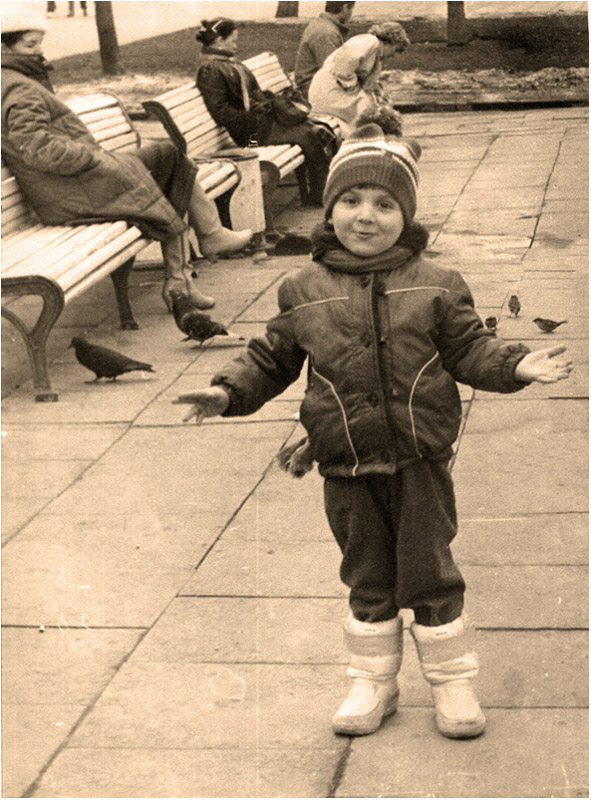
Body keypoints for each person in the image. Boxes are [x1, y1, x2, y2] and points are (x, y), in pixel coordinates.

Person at [174, 123, 574, 739]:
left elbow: (470, 347)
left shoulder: (438, 284)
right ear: (329, 209)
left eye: (386, 204)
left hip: (419, 459)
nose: (367, 216)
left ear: (406, 215)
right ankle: (372, 683)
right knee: (366, 573)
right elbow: (270, 356)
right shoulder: (301, 288)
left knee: (431, 569)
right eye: (351, 201)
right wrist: (228, 391)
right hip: (345, 462)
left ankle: (452, 683)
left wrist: (514, 363)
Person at [1, 4, 252, 312]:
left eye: (39, 43)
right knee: (159, 172)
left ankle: (196, 255)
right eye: (30, 45)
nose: (39, 53)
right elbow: (39, 149)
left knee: (167, 156)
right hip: (69, 190)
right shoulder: (17, 87)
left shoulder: (16, 79)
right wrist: (91, 156)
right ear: (3, 45)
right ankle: (185, 273)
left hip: (70, 183)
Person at [196, 17, 333, 207]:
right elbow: (221, 111)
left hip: (262, 123)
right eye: (233, 41)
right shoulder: (210, 70)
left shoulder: (225, 63)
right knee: (308, 134)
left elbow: (253, 93)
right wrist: (257, 115)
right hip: (252, 134)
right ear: (219, 41)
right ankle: (321, 195)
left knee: (315, 129)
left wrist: (267, 103)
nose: (236, 46)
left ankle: (320, 191)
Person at [308, 21, 409, 137]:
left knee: (372, 110)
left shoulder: (375, 54)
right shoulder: (369, 41)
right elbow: (344, 65)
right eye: (397, 50)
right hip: (329, 91)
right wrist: (353, 86)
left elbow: (368, 84)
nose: (395, 55)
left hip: (332, 91)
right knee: (369, 115)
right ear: (390, 42)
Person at [294, 1, 355, 99]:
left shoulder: (320, 23)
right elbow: (333, 73)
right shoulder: (327, 33)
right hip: (312, 90)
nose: (351, 14)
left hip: (312, 85)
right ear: (345, 8)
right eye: (351, 9)